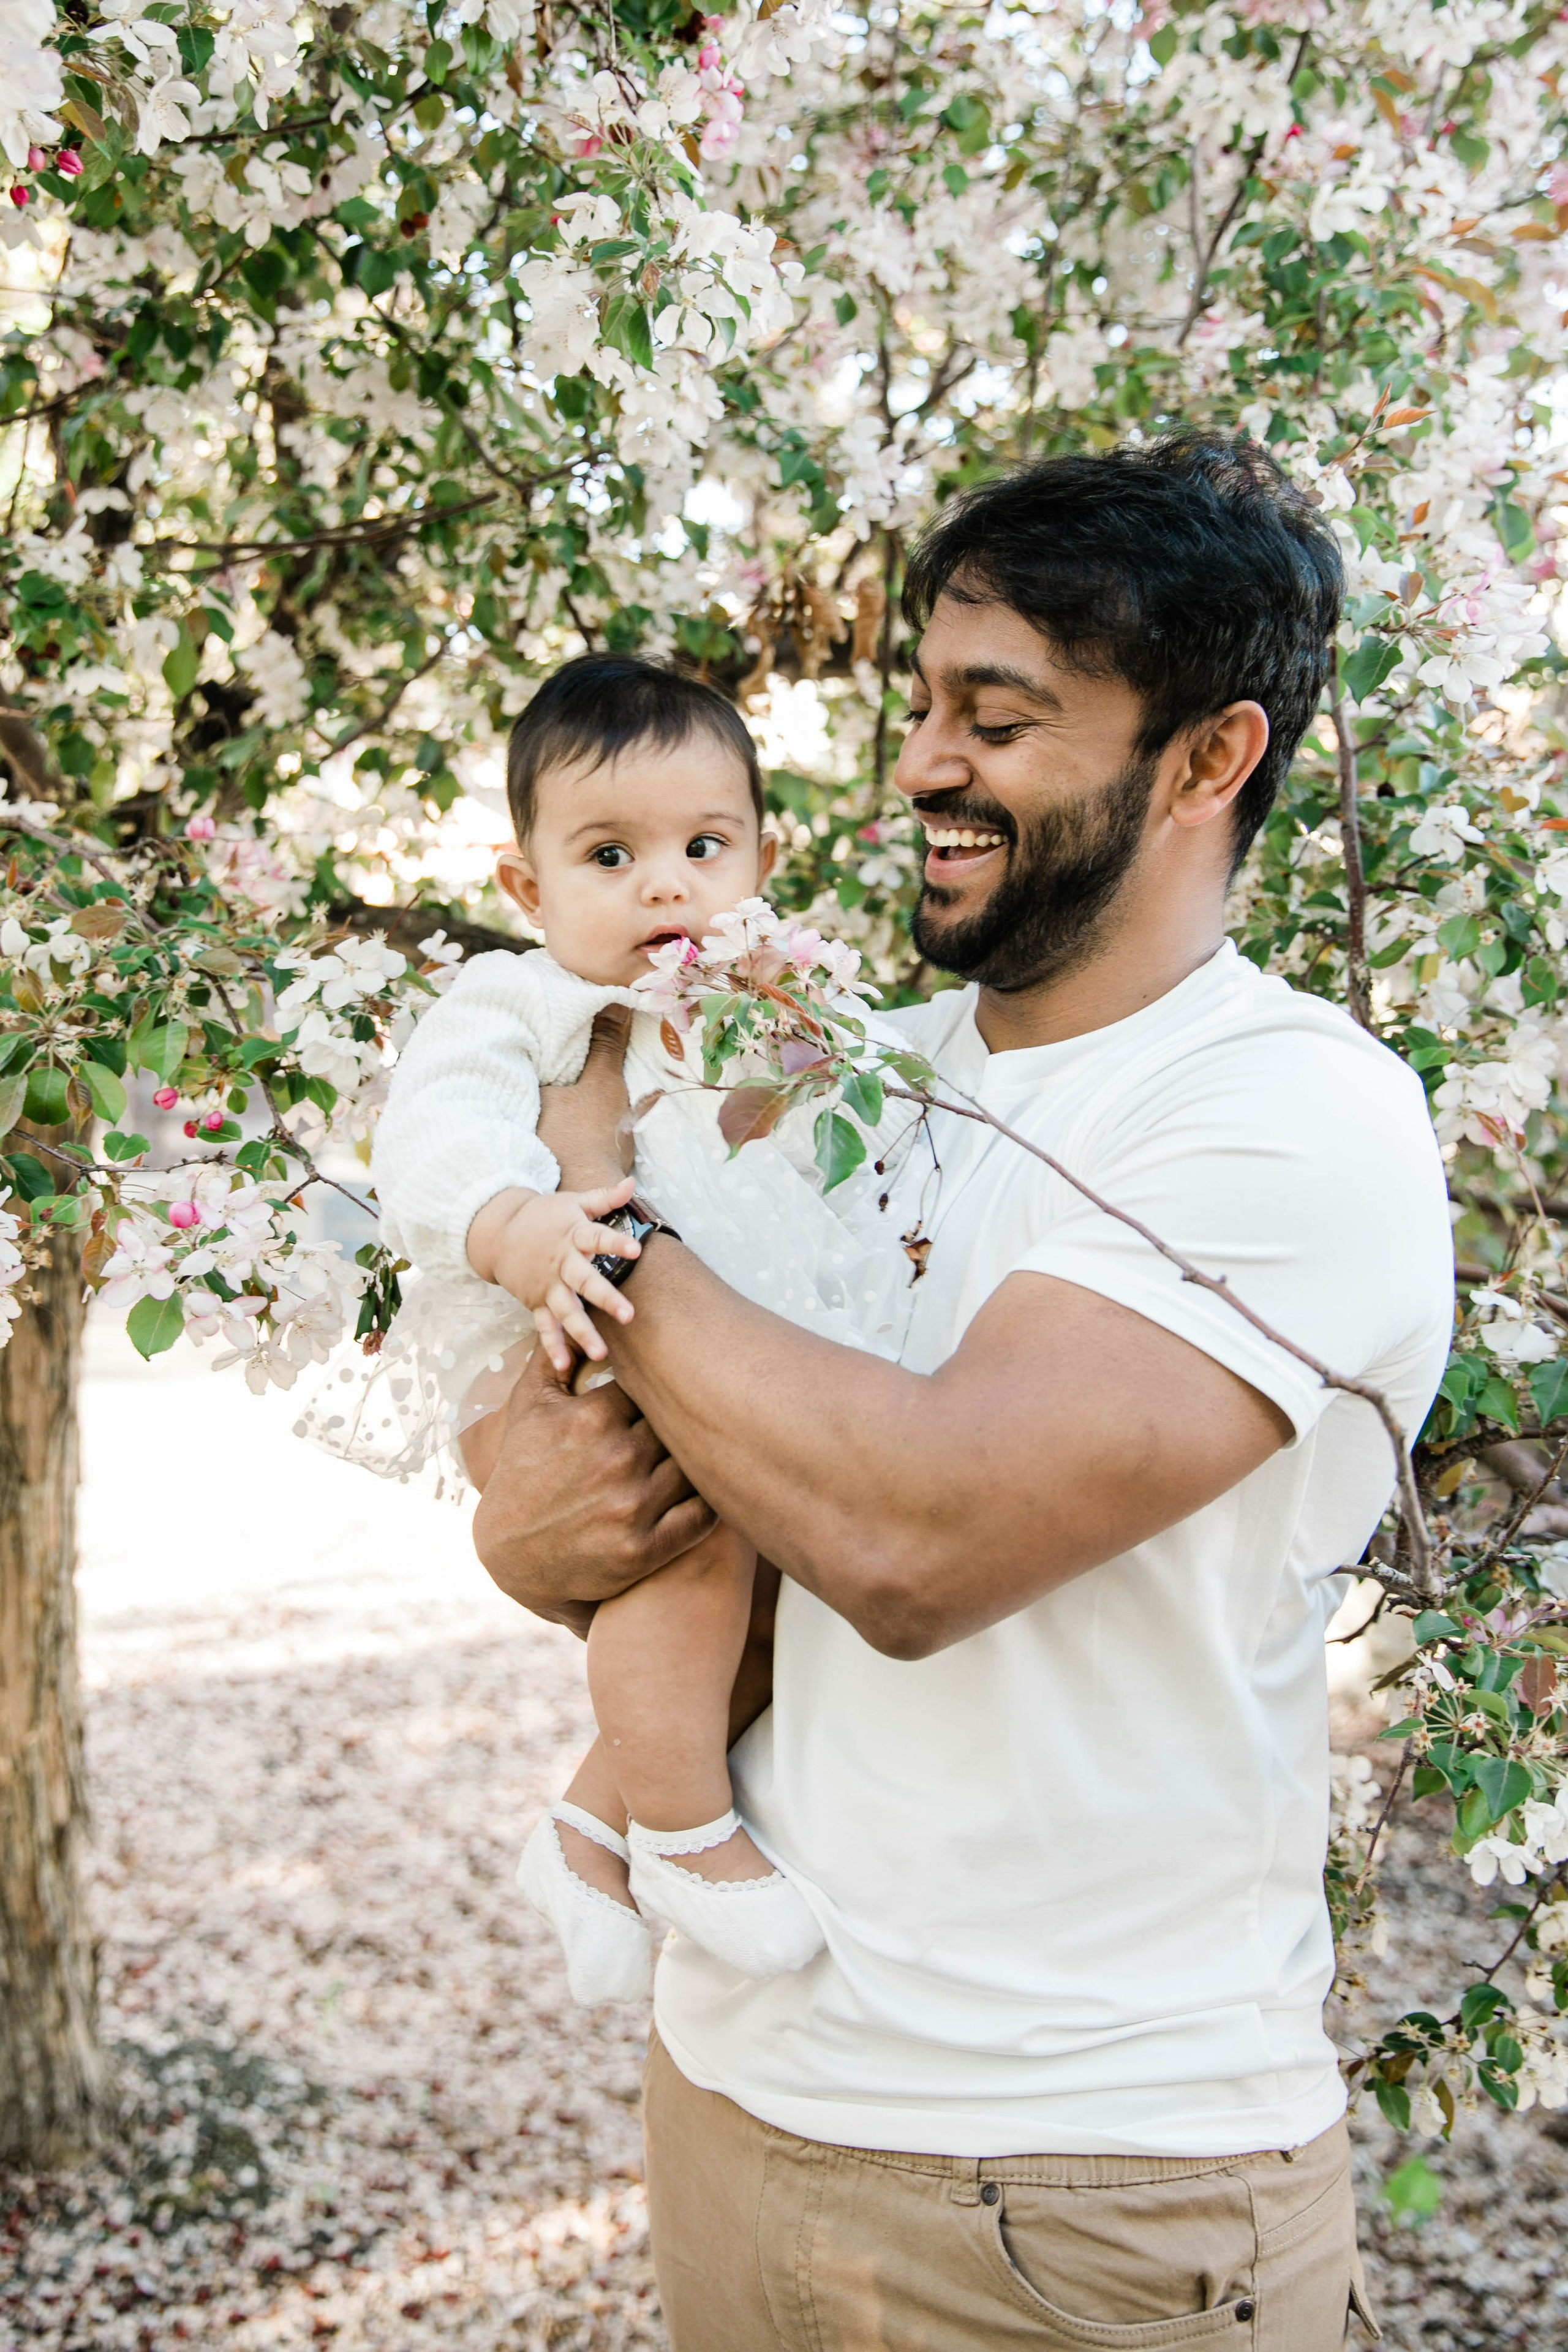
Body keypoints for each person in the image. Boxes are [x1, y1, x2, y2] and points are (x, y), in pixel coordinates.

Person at [469, 434, 1453, 2349]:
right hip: (737, 2096)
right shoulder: (857, 1070)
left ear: (1206, 760)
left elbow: (908, 1539)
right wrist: (527, 1522)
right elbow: (570, 1487)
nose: (923, 764)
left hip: (1080, 2186)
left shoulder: (1290, 1111)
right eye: (924, 705)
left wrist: (598, 1238)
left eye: (998, 720)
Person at [368, 655, 920, 2005]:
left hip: (690, 1350)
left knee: (768, 1588)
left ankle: (589, 1828)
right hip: (560, 1344)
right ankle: (685, 1829)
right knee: (694, 1532)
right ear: (526, 889)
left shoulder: (778, 1007)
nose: (663, 886)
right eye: (608, 854)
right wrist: (517, 1226)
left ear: (759, 860)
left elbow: (866, 1151)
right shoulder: (527, 1006)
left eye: (701, 846)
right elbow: (431, 1131)